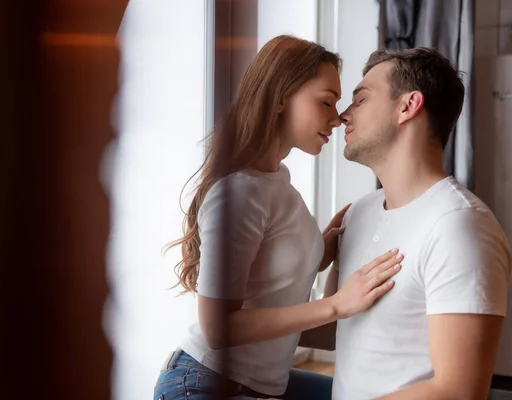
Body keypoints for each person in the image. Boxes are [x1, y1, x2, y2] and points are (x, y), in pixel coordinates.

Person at [152, 35, 403, 400]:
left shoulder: (277, 183)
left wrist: (321, 254)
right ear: (281, 95)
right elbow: (216, 328)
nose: (337, 118)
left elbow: (268, 282)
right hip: (204, 384)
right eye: (326, 101)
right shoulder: (239, 191)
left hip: (262, 384)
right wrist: (336, 303)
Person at [316, 47, 511, 399]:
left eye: (360, 100)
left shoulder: (459, 226)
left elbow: (459, 391)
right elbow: (331, 328)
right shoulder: (358, 213)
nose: (343, 115)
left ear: (408, 106)